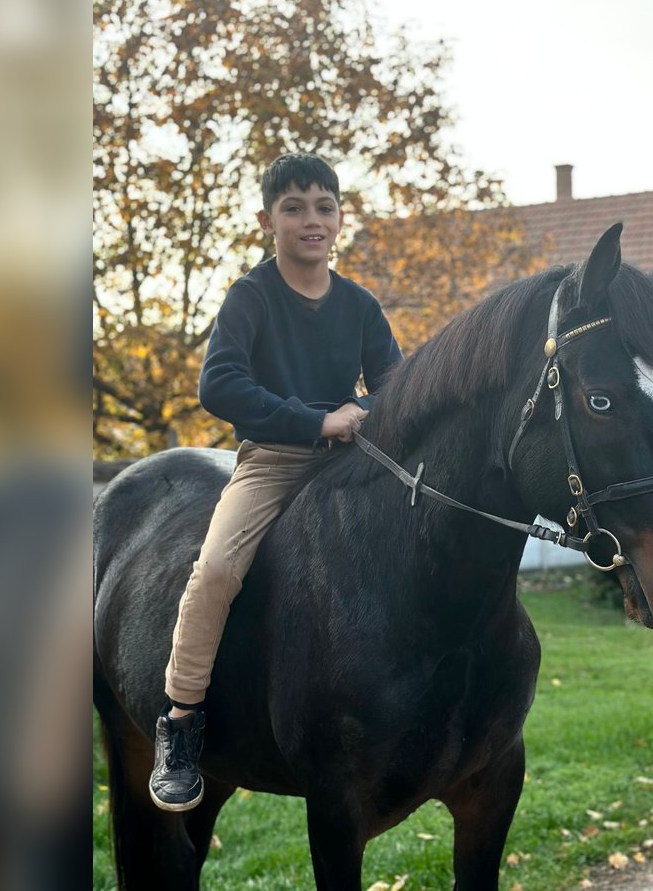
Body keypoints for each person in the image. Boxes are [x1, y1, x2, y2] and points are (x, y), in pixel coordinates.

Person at [149, 153, 403, 812]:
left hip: (352, 460)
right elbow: (219, 385)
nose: (311, 220)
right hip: (273, 461)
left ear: (340, 218)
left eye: (324, 207)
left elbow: (397, 389)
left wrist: (360, 419)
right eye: (294, 208)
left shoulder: (360, 305)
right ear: (268, 219)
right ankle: (180, 722)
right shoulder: (250, 297)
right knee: (215, 572)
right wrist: (316, 421)